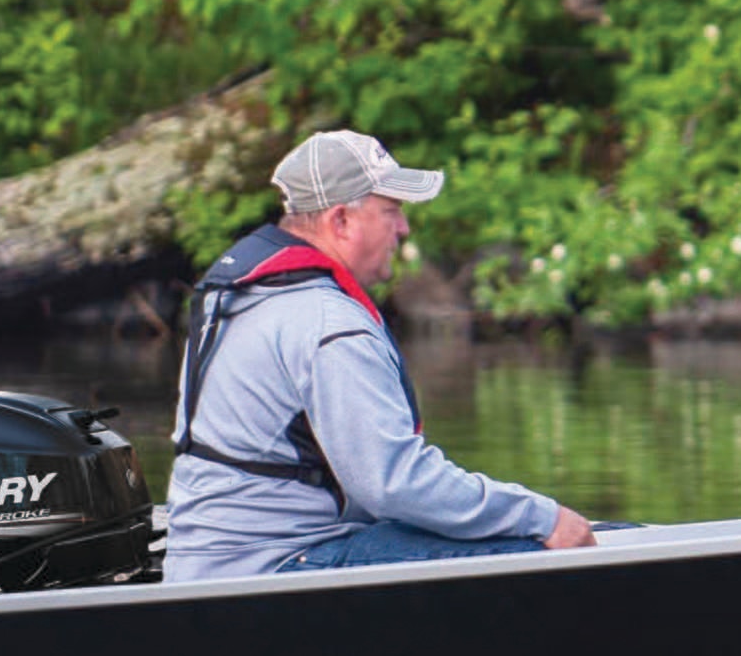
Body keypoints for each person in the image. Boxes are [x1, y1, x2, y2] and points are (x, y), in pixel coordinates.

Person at [163, 128, 597, 579]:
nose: (405, 229)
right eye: (391, 211)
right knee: (543, 544)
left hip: (204, 563)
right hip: (276, 566)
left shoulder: (238, 299)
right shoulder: (328, 323)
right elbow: (394, 483)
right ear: (341, 222)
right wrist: (541, 516)